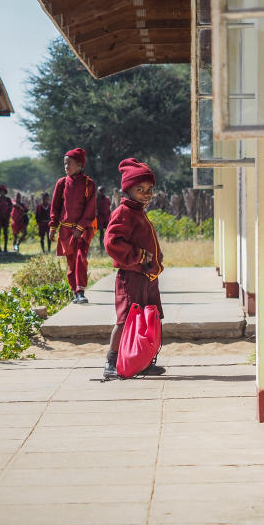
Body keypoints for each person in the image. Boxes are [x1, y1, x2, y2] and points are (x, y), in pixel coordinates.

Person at [102, 158, 166, 379]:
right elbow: (111, 242)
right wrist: (139, 256)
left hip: (146, 277)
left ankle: (142, 361)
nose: (146, 194)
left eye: (149, 189)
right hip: (131, 276)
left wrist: (156, 258)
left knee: (147, 318)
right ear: (127, 189)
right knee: (127, 319)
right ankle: (111, 361)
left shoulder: (138, 211)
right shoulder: (123, 212)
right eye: (140, 189)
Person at [49, 148, 97, 304]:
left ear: (79, 164)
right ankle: (74, 292)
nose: (66, 167)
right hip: (65, 231)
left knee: (81, 258)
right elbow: (55, 207)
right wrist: (52, 227)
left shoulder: (89, 185)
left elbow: (90, 210)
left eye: (69, 163)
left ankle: (80, 291)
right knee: (71, 262)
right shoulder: (62, 183)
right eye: (65, 164)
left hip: (82, 231)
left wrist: (80, 227)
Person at [0, 184, 12, 253]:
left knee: (5, 233)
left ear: (5, 192)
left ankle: (5, 247)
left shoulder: (8, 200)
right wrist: (0, 215)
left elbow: (10, 208)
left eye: (3, 191)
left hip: (6, 219)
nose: (2, 193)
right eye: (1, 191)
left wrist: (7, 215)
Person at [96, 186, 112, 254]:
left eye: (102, 191)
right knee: (102, 233)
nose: (101, 192)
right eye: (100, 191)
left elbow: (109, 208)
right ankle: (101, 247)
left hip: (106, 217)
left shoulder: (107, 199)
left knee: (108, 233)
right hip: (100, 218)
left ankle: (108, 246)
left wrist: (111, 217)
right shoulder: (97, 200)